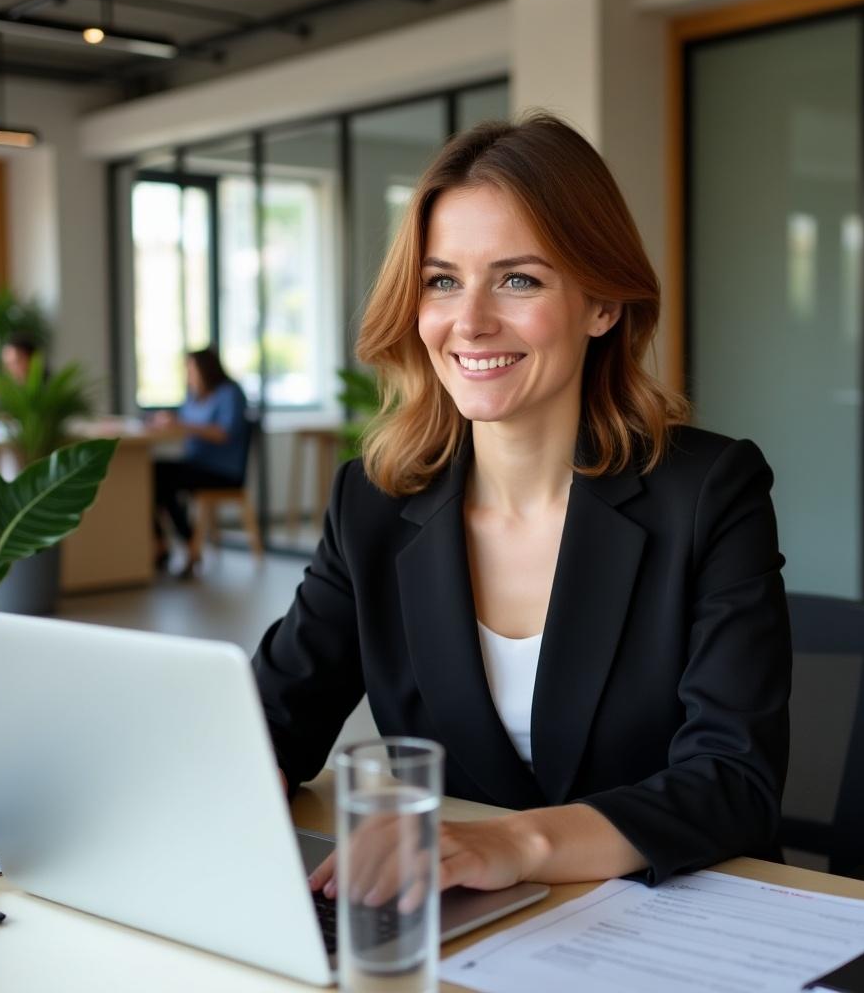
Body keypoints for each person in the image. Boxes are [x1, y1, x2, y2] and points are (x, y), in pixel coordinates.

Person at [253, 114, 791, 903]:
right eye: (442, 281)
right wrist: (232, 784)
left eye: (518, 279)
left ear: (602, 304)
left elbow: (732, 781)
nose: (468, 321)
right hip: (460, 926)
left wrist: (512, 841)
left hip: (664, 917)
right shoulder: (372, 503)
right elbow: (272, 719)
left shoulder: (709, 492)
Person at [151, 346, 249, 576]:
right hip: (195, 463)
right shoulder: (193, 396)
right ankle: (170, 543)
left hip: (222, 471)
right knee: (151, 476)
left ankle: (185, 543)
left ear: (206, 369)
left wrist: (182, 425)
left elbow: (224, 433)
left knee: (160, 479)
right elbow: (186, 422)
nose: (188, 375)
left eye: (191, 369)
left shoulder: (230, 393)